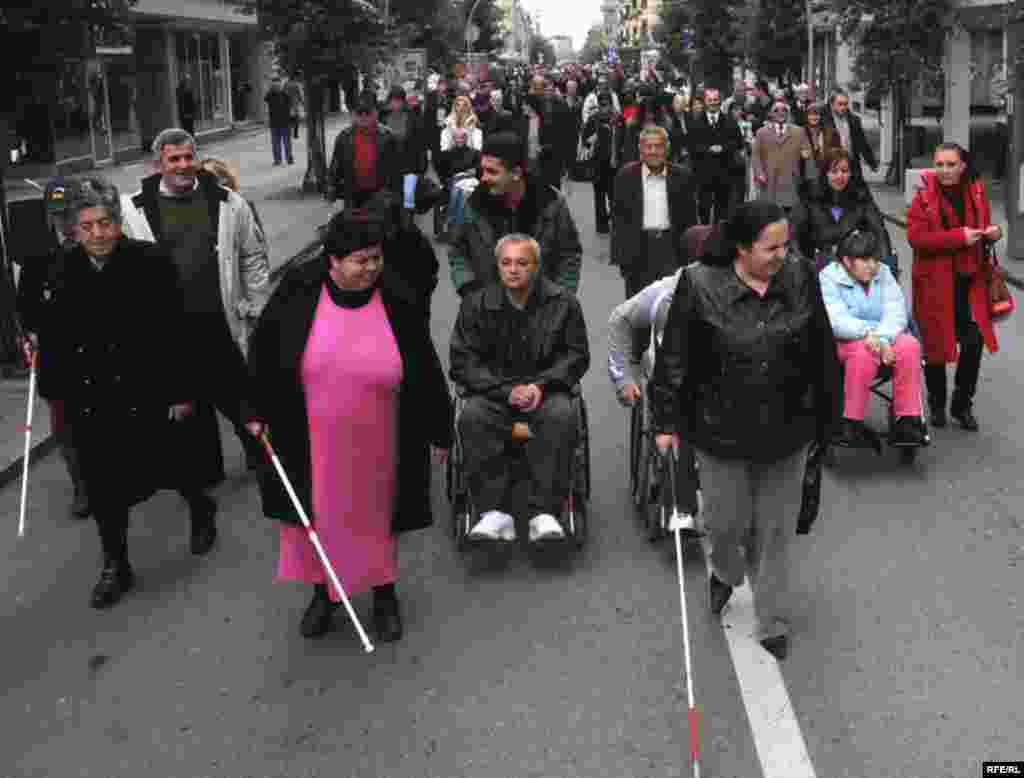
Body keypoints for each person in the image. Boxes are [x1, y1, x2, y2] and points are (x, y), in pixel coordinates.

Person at [246, 208, 452, 641]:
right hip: (311, 437)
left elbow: (423, 364)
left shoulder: (396, 296)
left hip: (384, 436)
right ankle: (324, 595)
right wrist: (256, 411)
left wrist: (438, 427)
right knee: (317, 518)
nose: (372, 268)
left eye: (376, 258)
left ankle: (383, 594)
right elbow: (265, 352)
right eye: (361, 260)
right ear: (333, 260)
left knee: (379, 519)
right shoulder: (299, 290)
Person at [650, 201, 841, 660]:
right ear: (740, 247)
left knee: (776, 529)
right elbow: (674, 357)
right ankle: (725, 570)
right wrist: (665, 422)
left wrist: (830, 419)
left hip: (788, 425)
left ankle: (771, 618)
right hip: (720, 428)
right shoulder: (697, 284)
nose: (782, 255)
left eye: (786, 245)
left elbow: (821, 348)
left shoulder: (800, 276)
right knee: (726, 521)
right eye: (770, 247)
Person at [30, 176, 209, 608]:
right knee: (104, 487)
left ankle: (201, 507)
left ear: (118, 222)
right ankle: (116, 565)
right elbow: (52, 337)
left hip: (146, 390)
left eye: (105, 223)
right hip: (91, 401)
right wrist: (52, 381)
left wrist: (182, 391)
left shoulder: (150, 262)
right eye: (88, 226)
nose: (97, 234)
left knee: (171, 465)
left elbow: (176, 331)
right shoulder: (61, 270)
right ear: (74, 228)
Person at [120, 127, 270, 483]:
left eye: (189, 157)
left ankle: (263, 460)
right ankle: (208, 471)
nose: (184, 165)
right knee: (195, 405)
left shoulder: (229, 203)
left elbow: (252, 256)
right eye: (174, 159)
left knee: (240, 400)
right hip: (172, 330)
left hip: (221, 322)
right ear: (158, 164)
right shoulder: (134, 210)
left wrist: (255, 302)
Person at [450, 234, 590, 543]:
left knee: (561, 416)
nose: (513, 270)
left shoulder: (563, 303)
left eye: (522, 263)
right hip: (493, 392)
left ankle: (545, 511)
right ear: (497, 266)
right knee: (471, 417)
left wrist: (541, 384)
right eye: (506, 263)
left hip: (546, 390)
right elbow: (464, 361)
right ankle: (494, 512)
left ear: (537, 267)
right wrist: (504, 391)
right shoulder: (476, 304)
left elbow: (576, 355)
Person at [907, 142, 1002, 431]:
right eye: (940, 164)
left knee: (973, 343)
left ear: (962, 166)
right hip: (935, 285)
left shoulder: (975, 191)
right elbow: (917, 238)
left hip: (969, 283)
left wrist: (994, 233)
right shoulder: (923, 196)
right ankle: (936, 404)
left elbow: (985, 226)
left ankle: (962, 405)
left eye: (951, 164)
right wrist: (958, 237)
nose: (944, 170)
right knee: (935, 349)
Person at [15, 176, 90, 519]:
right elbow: (26, 307)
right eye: (59, 214)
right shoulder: (37, 257)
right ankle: (82, 487)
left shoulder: (103, 242)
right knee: (66, 426)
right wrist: (28, 336)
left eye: (72, 212)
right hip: (58, 358)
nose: (66, 222)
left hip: (102, 352)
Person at [820, 229, 926, 449]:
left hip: (883, 336)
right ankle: (851, 421)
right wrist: (868, 334)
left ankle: (906, 420)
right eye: (865, 260)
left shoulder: (884, 274)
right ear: (847, 262)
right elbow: (836, 319)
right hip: (843, 341)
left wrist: (882, 339)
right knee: (862, 351)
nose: (873, 266)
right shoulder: (829, 277)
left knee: (910, 346)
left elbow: (896, 311)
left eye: (875, 259)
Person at [448, 131, 583, 296]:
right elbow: (457, 249)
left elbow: (569, 254)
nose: (483, 178)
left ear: (516, 173)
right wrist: (468, 289)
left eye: (492, 171)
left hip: (540, 310)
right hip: (487, 310)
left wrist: (562, 298)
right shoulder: (473, 203)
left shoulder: (551, 203)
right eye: (482, 170)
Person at [612, 126, 698, 299]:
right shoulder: (625, 176)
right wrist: (622, 259)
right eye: (648, 146)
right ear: (640, 150)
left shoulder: (682, 177)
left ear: (667, 149)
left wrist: (690, 256)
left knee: (671, 306)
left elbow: (690, 220)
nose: (653, 151)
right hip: (638, 250)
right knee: (638, 308)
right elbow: (619, 219)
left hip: (671, 249)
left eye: (658, 146)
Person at [789, 148, 891, 264]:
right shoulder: (809, 196)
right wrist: (804, 264)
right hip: (815, 266)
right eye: (834, 171)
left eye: (844, 171)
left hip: (853, 267)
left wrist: (885, 266)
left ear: (851, 173)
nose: (839, 176)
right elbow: (793, 235)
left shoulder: (861, 197)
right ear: (825, 173)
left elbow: (879, 231)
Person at [326, 90, 401, 209]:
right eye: (360, 113)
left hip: (381, 195)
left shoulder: (388, 137)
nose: (364, 117)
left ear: (376, 113)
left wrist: (393, 193)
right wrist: (331, 186)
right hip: (352, 195)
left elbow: (397, 168)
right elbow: (336, 164)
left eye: (368, 112)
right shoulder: (344, 137)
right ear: (353, 114)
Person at [688, 88, 744, 225]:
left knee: (722, 207)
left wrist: (723, 148)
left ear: (719, 101)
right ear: (705, 101)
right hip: (703, 172)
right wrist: (708, 149)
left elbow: (738, 143)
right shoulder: (695, 122)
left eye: (715, 100)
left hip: (724, 172)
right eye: (710, 100)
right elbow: (691, 145)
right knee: (704, 207)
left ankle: (718, 235)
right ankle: (704, 232)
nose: (713, 103)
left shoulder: (730, 121)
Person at [750, 101, 815, 213]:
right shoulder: (761, 133)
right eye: (776, 110)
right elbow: (756, 156)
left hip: (791, 182)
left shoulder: (799, 132)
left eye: (784, 110)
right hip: (769, 182)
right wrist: (759, 173)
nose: (780, 113)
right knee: (770, 217)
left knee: (790, 217)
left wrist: (810, 178)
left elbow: (808, 155)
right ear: (770, 114)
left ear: (788, 113)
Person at [581, 91, 623, 235]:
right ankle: (602, 225)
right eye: (602, 105)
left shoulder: (618, 119)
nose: (605, 108)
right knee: (599, 196)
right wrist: (591, 140)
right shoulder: (593, 119)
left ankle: (615, 221)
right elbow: (585, 140)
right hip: (598, 164)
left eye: (607, 105)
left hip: (614, 164)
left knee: (614, 196)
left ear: (611, 104)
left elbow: (623, 140)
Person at [821, 91, 877, 183]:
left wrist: (871, 162)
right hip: (832, 165)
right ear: (832, 104)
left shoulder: (854, 120)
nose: (843, 107)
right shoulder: (824, 120)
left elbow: (861, 142)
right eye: (840, 104)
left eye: (845, 104)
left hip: (851, 164)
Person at [801, 102, 842, 178]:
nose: (813, 117)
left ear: (822, 116)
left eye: (816, 114)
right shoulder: (801, 132)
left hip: (827, 172)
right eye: (810, 114)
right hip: (808, 174)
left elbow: (838, 153)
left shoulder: (832, 132)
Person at [264, 76, 294, 166]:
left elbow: (265, 98)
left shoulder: (271, 95)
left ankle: (278, 160)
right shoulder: (284, 94)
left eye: (277, 84)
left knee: (277, 143)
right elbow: (290, 106)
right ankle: (288, 159)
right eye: (275, 84)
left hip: (277, 123)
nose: (276, 86)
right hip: (283, 122)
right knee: (286, 142)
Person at [283, 75, 305, 140]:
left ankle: (288, 133)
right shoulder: (297, 85)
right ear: (295, 78)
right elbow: (300, 95)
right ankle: (295, 134)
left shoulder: (286, 84)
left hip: (287, 104)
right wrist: (302, 102)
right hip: (295, 103)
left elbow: (283, 93)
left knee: (288, 119)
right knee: (296, 119)